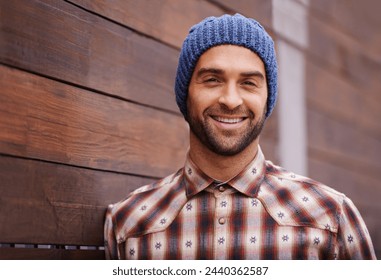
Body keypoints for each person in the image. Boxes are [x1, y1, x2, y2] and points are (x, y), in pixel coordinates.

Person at [104, 14, 376, 260]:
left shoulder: (331, 217)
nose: (231, 100)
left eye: (248, 83)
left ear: (267, 97)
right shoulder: (128, 223)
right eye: (212, 79)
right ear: (185, 93)